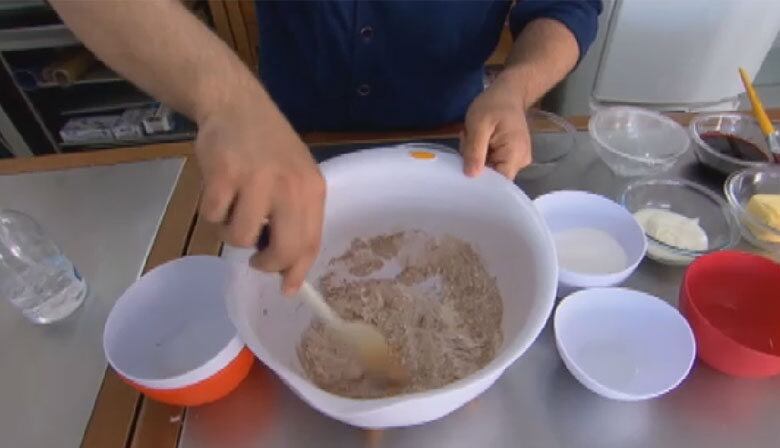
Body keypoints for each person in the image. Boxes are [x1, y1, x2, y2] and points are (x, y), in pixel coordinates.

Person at [51, 0, 601, 294]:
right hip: (286, 140)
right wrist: (227, 102)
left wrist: (514, 88)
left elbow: (566, 4)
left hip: (454, 139)